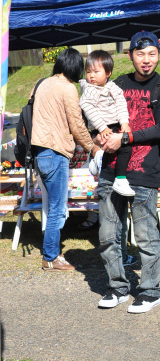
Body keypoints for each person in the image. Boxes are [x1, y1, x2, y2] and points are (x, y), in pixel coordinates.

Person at [96, 30, 160, 313]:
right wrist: (99, 136)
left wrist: (126, 138)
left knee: (145, 234)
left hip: (144, 170)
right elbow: (99, 115)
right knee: (108, 233)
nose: (146, 60)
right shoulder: (116, 83)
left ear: (158, 55)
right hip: (111, 169)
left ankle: (151, 291)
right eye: (140, 54)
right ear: (130, 55)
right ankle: (117, 287)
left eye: (152, 54)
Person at [31, 48, 99, 271]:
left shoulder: (41, 83)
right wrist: (92, 147)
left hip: (40, 152)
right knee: (58, 208)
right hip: (56, 151)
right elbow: (77, 124)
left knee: (53, 205)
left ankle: (51, 254)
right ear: (76, 67)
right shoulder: (68, 88)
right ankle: (50, 257)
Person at [79, 50, 133, 197]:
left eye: (96, 71)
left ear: (108, 73)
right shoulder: (90, 89)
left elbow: (121, 103)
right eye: (88, 71)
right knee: (124, 148)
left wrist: (124, 122)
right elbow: (87, 107)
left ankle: (96, 160)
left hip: (114, 124)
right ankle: (119, 178)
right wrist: (102, 127)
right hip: (100, 127)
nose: (91, 75)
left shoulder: (112, 87)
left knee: (123, 146)